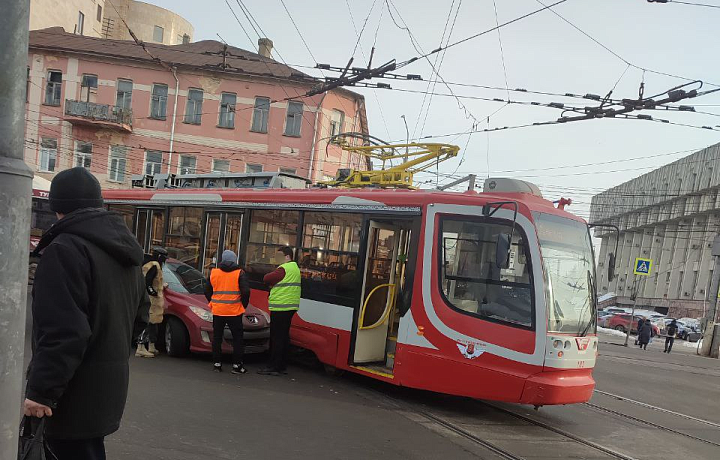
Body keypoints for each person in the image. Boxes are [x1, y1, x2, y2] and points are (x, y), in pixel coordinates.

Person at [24, 167, 149, 460]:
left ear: (57, 207)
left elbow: (64, 332)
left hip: (71, 395)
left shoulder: (65, 249)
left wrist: (41, 392)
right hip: (106, 392)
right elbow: (141, 316)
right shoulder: (126, 250)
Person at [258, 247, 301, 376]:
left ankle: (273, 366)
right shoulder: (295, 268)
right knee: (284, 337)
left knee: (276, 338)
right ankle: (281, 365)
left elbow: (266, 278)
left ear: (287, 256)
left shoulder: (284, 268)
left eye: (279, 255)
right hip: (290, 307)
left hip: (281, 307)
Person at [205, 249, 250, 373]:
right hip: (234, 311)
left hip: (218, 311)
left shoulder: (214, 272)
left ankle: (217, 364)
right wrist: (243, 305)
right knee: (237, 339)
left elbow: (206, 289)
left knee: (217, 338)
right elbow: (245, 291)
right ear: (234, 260)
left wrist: (212, 302)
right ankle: (237, 366)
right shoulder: (239, 273)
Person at [136, 246, 168, 358]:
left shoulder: (150, 264)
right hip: (151, 299)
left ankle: (151, 345)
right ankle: (140, 347)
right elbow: (148, 281)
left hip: (150, 298)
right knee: (148, 322)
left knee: (153, 322)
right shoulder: (154, 265)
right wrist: (153, 292)